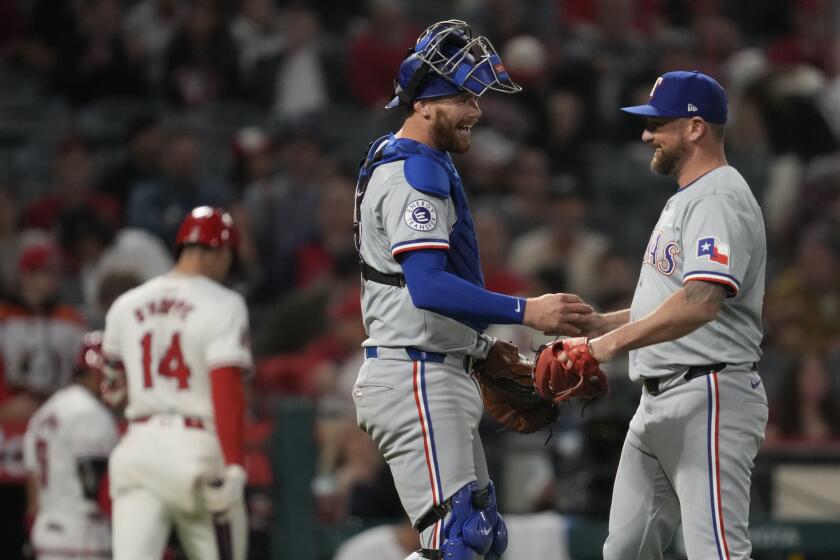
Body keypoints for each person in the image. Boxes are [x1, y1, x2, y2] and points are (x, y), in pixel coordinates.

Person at [351, 19, 593, 560]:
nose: (477, 111)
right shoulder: (414, 173)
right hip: (415, 373)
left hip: (432, 366)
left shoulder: (415, 163)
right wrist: (526, 310)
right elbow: (428, 286)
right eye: (464, 97)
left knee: (482, 539)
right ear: (426, 104)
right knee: (455, 544)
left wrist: (480, 350)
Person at [558, 71, 768, 559]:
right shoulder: (690, 197)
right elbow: (670, 301)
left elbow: (701, 302)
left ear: (695, 128)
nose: (647, 134)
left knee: (717, 552)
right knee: (624, 551)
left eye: (659, 123)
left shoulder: (718, 195)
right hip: (661, 399)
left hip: (709, 393)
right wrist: (600, 325)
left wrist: (604, 347)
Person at [102, 206, 252, 560]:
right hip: (197, 449)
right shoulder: (224, 303)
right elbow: (227, 388)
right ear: (219, 252)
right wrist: (234, 465)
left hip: (138, 449)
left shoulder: (124, 305)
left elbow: (112, 391)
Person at [23, 331, 119, 559]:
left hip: (46, 534)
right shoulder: (90, 413)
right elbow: (96, 488)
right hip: (82, 537)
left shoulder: (45, 411)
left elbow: (33, 494)